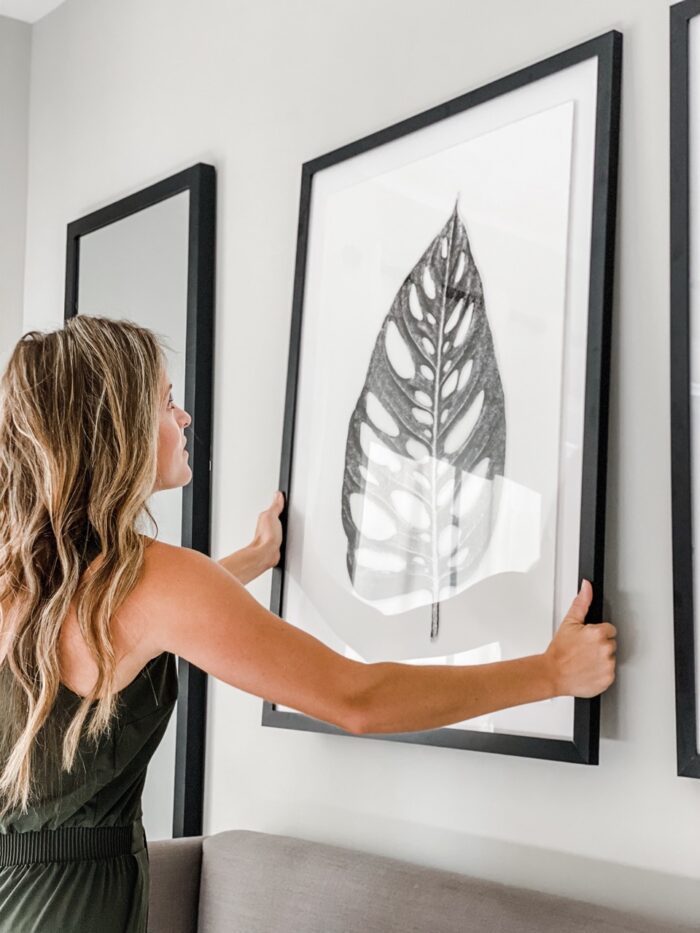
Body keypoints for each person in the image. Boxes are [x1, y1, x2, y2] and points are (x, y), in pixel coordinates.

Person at [0, 315, 616, 933]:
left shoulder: (22, 575)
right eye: (165, 403)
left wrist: (249, 561)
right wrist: (551, 672)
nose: (183, 418)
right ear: (118, 431)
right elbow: (358, 698)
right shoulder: (157, 581)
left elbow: (133, 624)